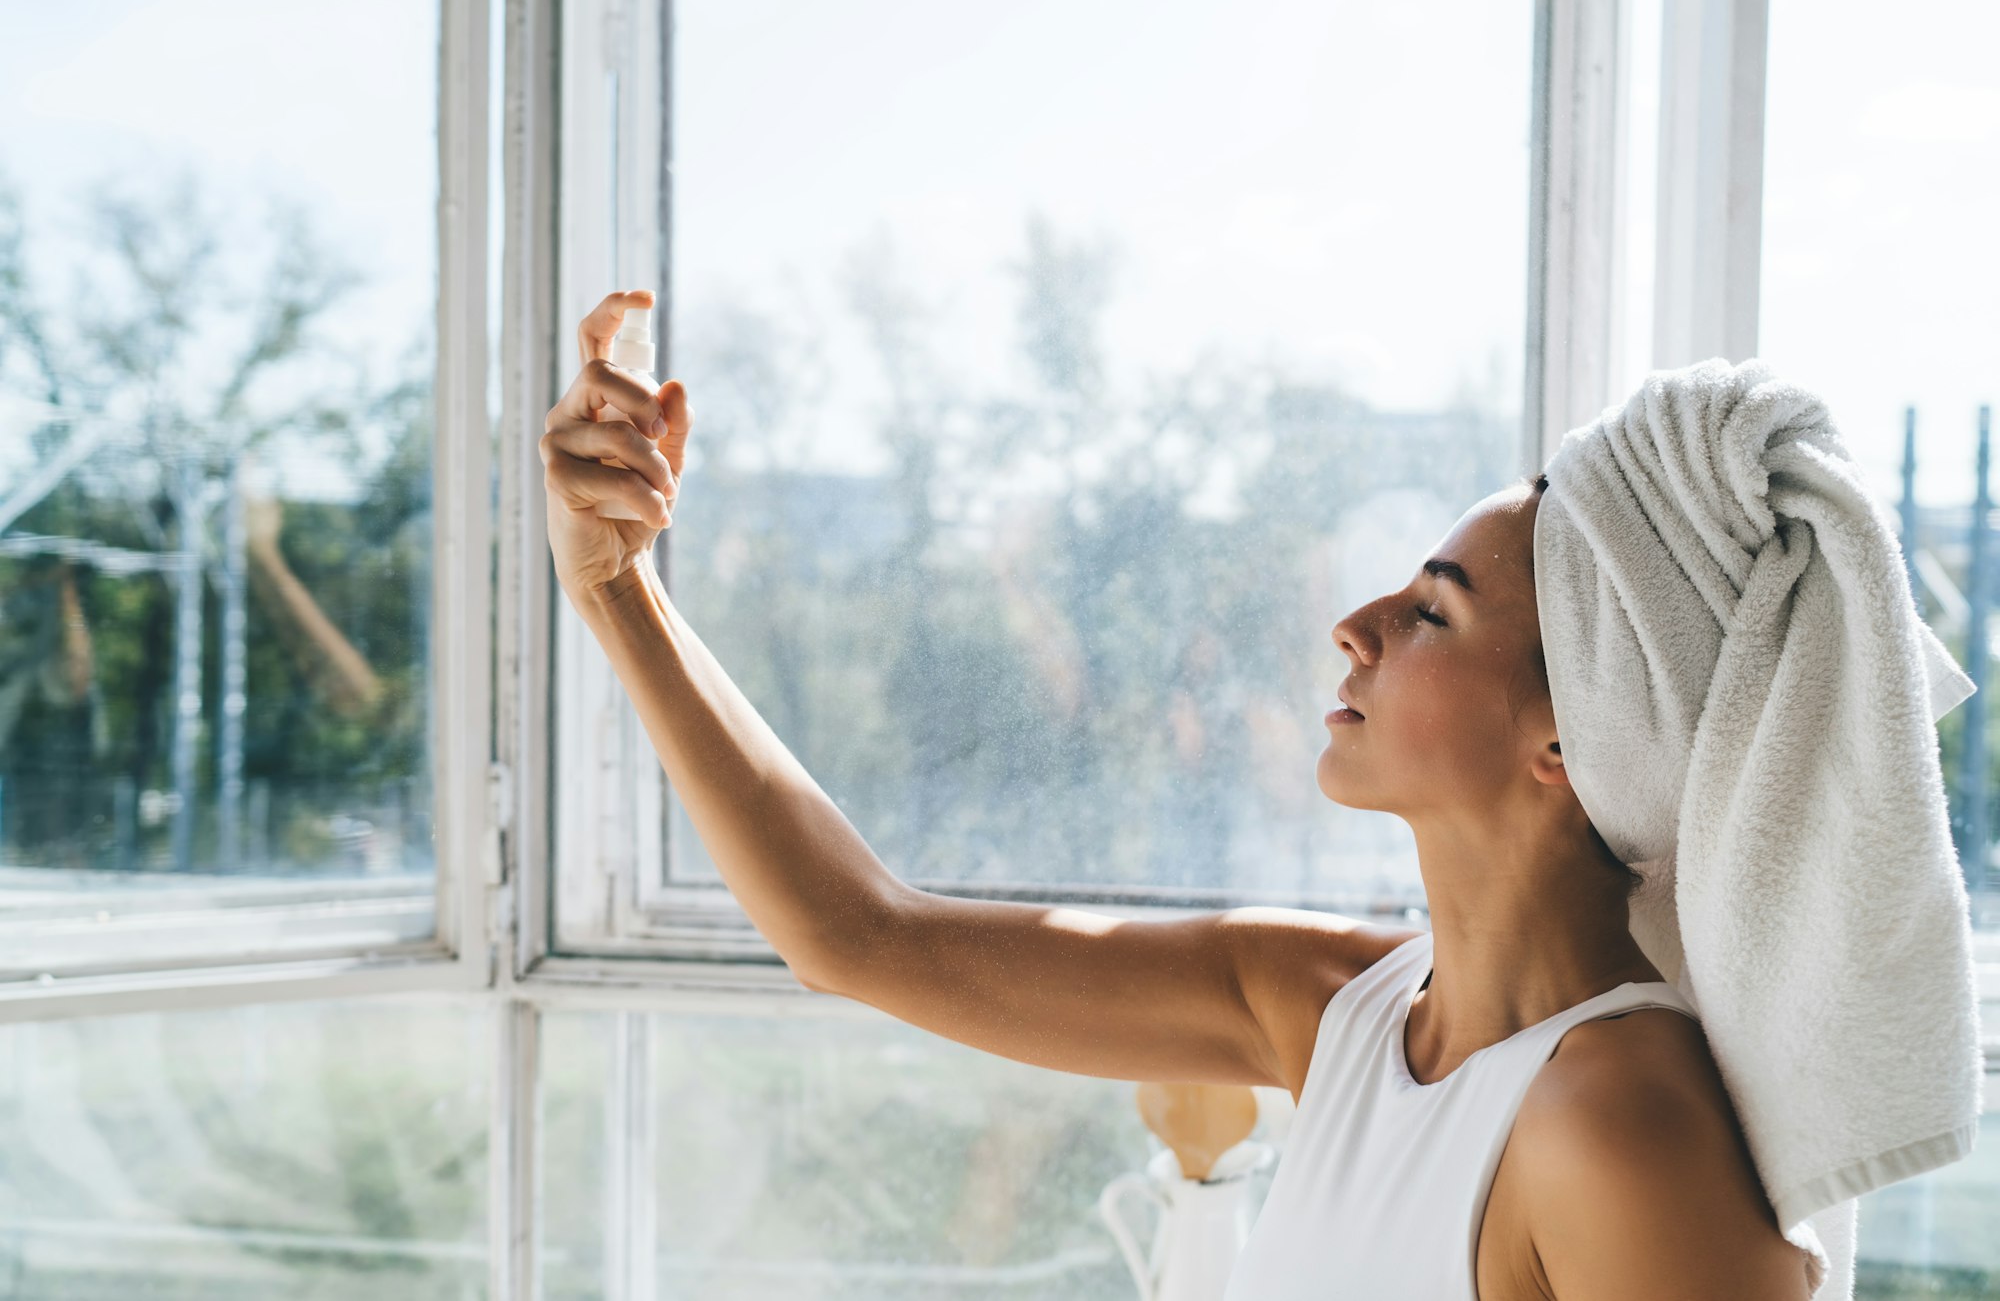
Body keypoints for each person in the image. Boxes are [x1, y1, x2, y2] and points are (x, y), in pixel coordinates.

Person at [541, 291, 1814, 1298]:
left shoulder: (1619, 1121)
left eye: (1431, 610)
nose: (1355, 623)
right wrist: (614, 590)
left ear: (1570, 739)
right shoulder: (1328, 1006)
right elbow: (855, 934)